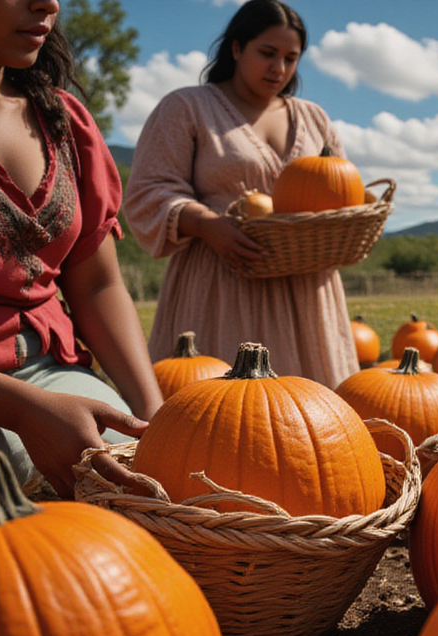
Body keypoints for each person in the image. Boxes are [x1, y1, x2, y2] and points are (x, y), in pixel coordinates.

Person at [0, 0, 163, 499]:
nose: (47, 4)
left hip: (50, 371)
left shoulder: (66, 122)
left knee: (139, 471)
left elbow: (97, 285)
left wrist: (157, 418)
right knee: (1, 474)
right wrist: (22, 409)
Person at [124, 0, 359, 388]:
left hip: (308, 289)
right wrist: (209, 226)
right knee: (226, 418)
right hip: (222, 280)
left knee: (317, 422)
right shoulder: (187, 108)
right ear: (236, 49)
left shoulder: (314, 118)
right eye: (267, 53)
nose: (279, 68)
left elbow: (341, 192)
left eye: (290, 58)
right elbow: (149, 190)